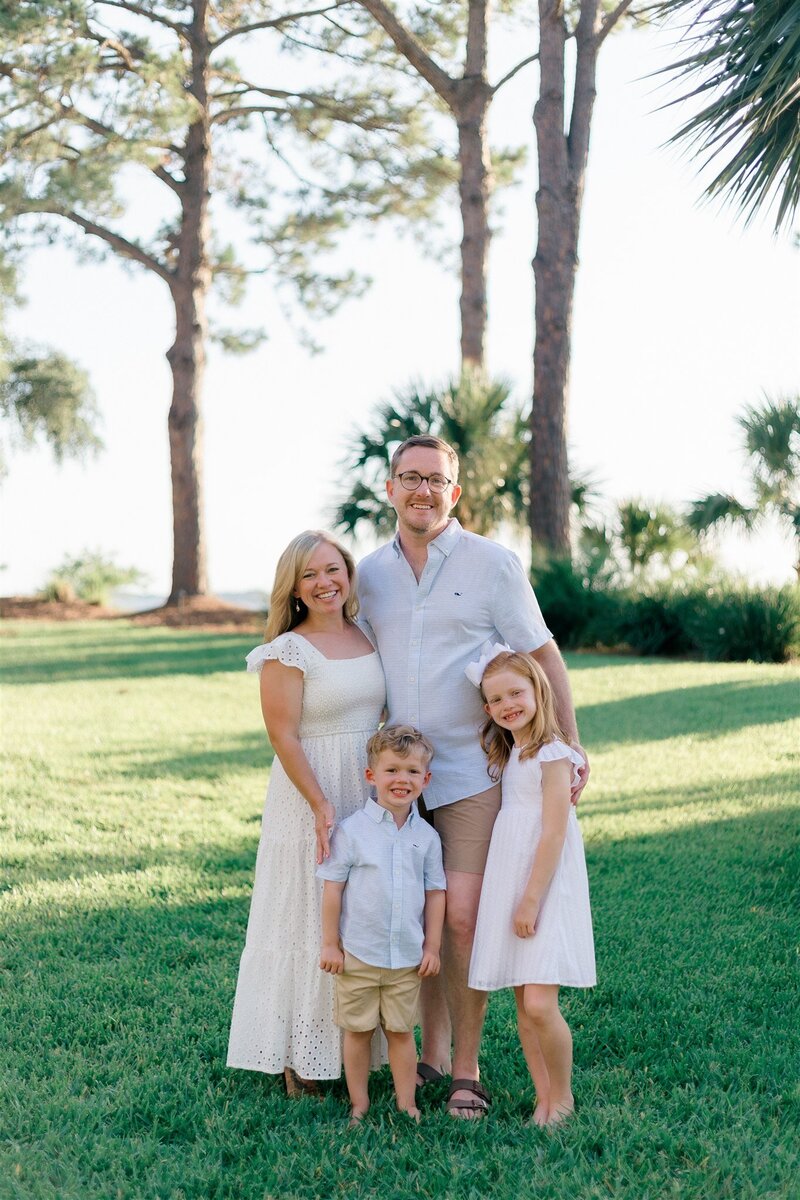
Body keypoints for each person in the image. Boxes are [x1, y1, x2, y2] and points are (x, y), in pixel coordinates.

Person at [357, 434, 589, 1118]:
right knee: (413, 912)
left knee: (461, 916)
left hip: (472, 773)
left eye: (436, 480)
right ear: (391, 489)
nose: (422, 490)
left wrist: (568, 744)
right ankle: (427, 1055)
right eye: (410, 478)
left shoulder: (492, 564)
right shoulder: (369, 574)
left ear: (454, 493)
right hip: (399, 779)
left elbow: (541, 653)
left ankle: (466, 1067)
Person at [227, 530, 386, 1094]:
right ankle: (298, 1058)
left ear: (348, 573)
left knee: (358, 914)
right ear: (293, 589)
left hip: (366, 788)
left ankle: (355, 1050)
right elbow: (284, 735)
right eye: (310, 576)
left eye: (332, 570)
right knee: (305, 915)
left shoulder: (367, 635)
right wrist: (321, 804)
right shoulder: (286, 650)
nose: (325, 583)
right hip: (310, 791)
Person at [467, 649, 595, 1126]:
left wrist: (531, 900)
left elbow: (554, 833)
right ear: (487, 710)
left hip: (543, 888)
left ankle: (562, 1097)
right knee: (524, 1008)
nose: (507, 705)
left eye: (516, 693)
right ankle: (543, 1098)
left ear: (539, 692)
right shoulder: (512, 755)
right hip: (515, 882)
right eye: (496, 699)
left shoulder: (553, 756)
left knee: (541, 1003)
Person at [317, 726, 446, 1124]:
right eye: (391, 770)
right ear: (371, 776)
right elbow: (333, 890)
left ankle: (407, 1103)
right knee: (357, 1032)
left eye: (411, 772)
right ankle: (360, 1104)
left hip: (406, 957)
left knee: (401, 1032)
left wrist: (432, 948)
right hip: (357, 954)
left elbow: (436, 892)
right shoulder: (353, 832)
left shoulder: (426, 837)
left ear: (425, 780)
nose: (401, 780)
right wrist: (330, 944)